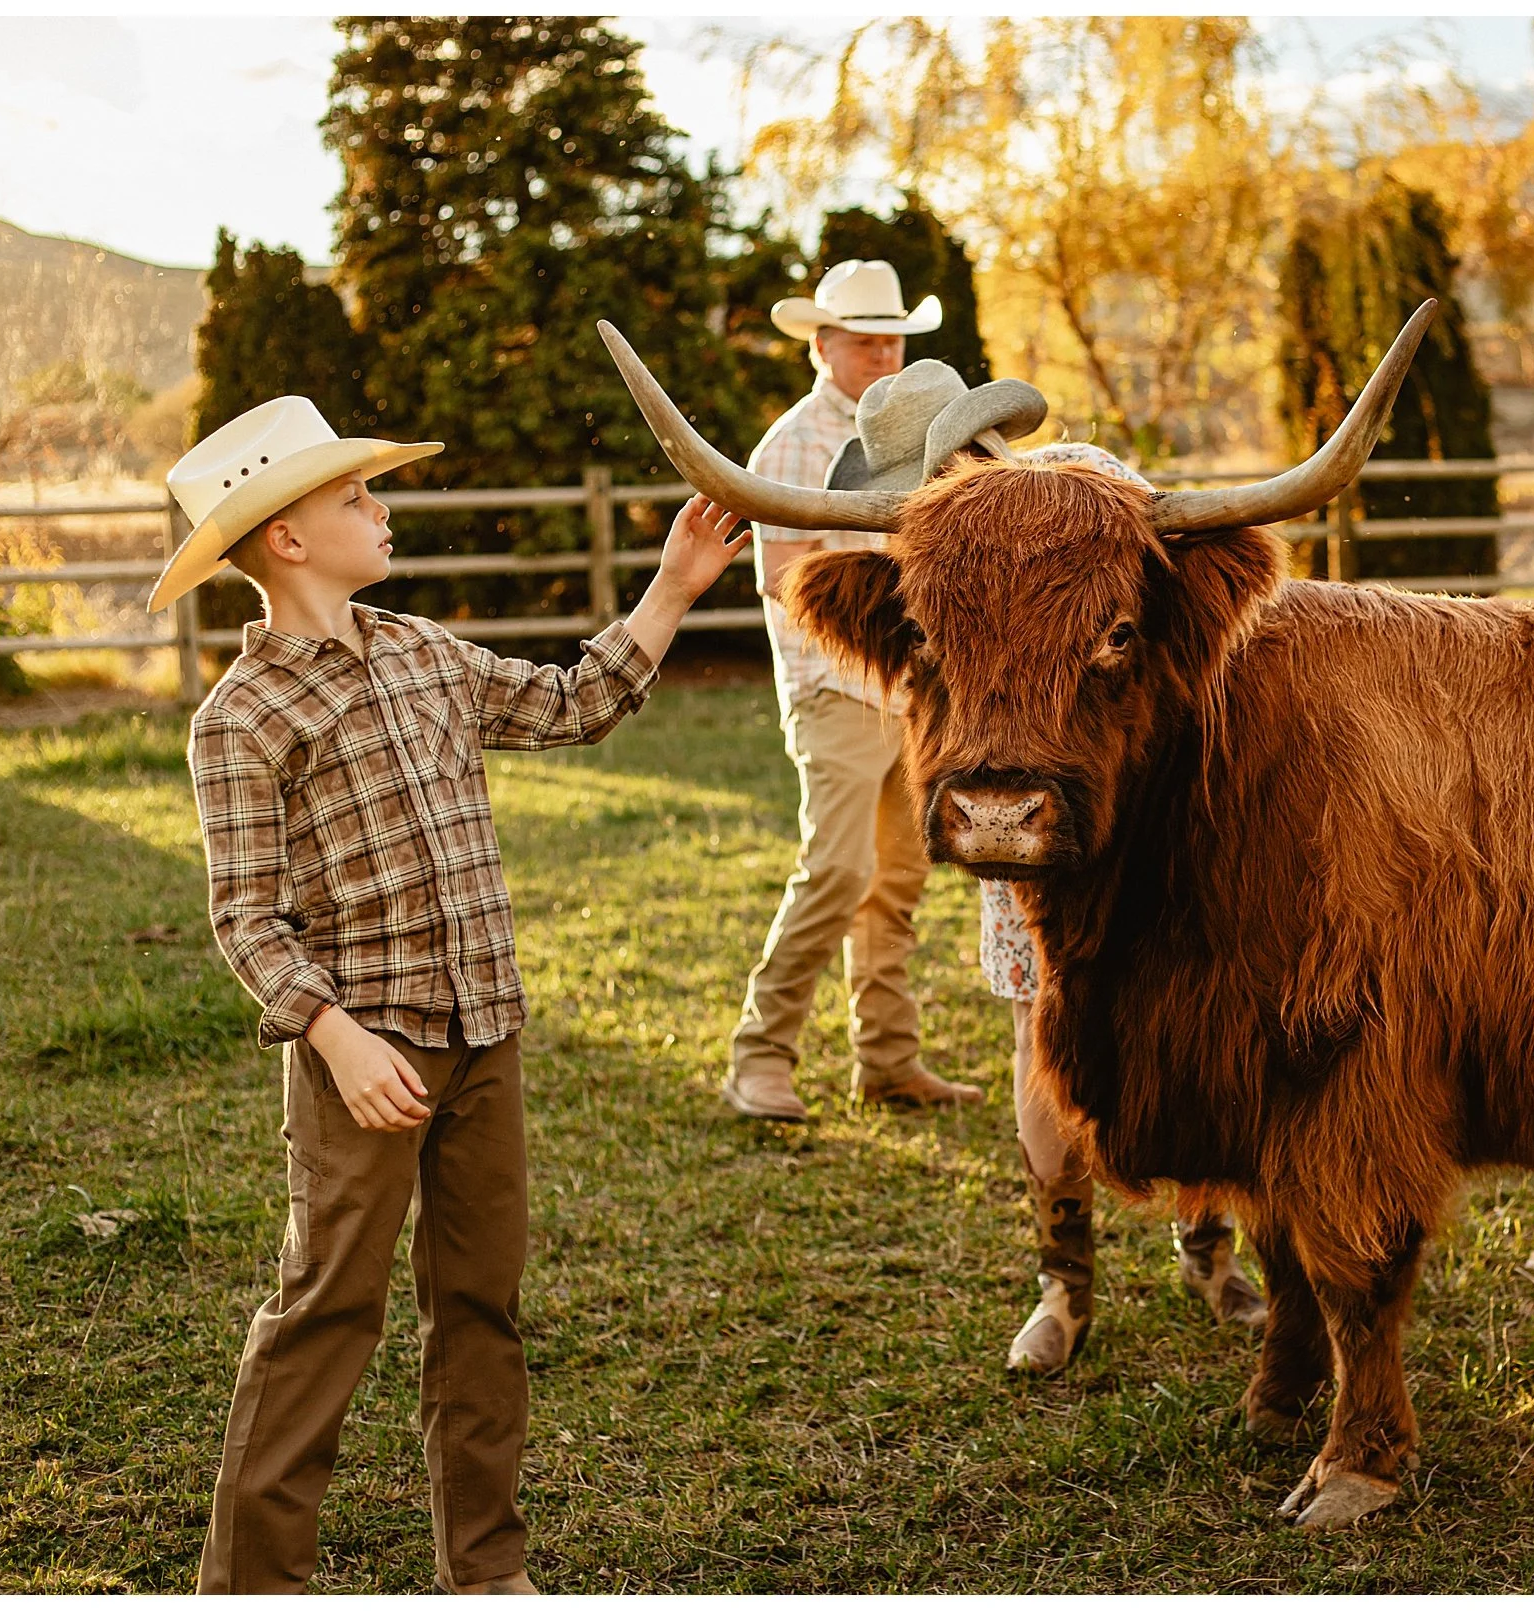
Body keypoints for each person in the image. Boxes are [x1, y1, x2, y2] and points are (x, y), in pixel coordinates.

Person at [151, 396, 753, 1592]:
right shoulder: (242, 719)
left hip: (487, 1037)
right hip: (363, 1062)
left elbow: (577, 701)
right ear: (286, 538)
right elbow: (246, 920)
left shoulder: (426, 653)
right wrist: (332, 1036)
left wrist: (673, 589)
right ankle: (249, 1586)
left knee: (481, 1305)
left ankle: (484, 1568)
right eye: (355, 498)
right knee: (326, 1313)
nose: (381, 511)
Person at [824, 363, 1269, 1369]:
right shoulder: (924, 548)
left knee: (1186, 1022)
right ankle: (1061, 1284)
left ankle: (1208, 1245)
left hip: (1143, 811)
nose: (919, 511)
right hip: (1013, 812)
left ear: (976, 450)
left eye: (932, 484)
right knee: (1037, 1025)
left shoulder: (1089, 488)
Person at [725, 259, 982, 1120]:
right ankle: (759, 1057)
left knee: (898, 880)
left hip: (912, 691)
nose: (882, 354)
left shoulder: (922, 437)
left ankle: (889, 1059)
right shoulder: (793, 444)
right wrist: (886, 585)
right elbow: (784, 575)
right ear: (822, 346)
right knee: (837, 868)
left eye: (893, 340)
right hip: (834, 682)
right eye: (865, 341)